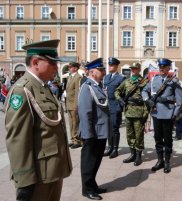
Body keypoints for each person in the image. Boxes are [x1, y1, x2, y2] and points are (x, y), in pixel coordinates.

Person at [4, 39, 72, 201]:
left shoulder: (42, 86)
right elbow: (17, 140)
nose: (56, 68)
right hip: (38, 176)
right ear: (35, 62)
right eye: (52, 63)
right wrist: (25, 181)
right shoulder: (22, 91)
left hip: (52, 170)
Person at [142, 58, 182, 173]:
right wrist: (147, 100)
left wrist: (174, 114)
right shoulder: (154, 79)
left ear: (168, 68)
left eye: (164, 67)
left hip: (168, 114)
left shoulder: (174, 81)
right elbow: (144, 90)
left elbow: (180, 100)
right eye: (160, 67)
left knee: (168, 139)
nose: (161, 69)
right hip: (156, 114)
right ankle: (160, 160)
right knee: (158, 138)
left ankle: (167, 162)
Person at [78, 58, 110, 200]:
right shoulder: (87, 87)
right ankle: (87, 189)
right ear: (91, 72)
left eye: (103, 70)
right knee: (89, 162)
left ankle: (93, 184)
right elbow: (85, 113)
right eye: (101, 70)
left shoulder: (97, 86)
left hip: (100, 132)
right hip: (92, 133)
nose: (103, 72)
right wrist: (87, 134)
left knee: (96, 161)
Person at [115, 62, 149, 166]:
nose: (133, 70)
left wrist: (146, 114)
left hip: (139, 112)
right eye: (132, 69)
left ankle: (138, 156)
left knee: (139, 135)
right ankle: (132, 154)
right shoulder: (127, 81)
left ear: (139, 70)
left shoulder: (144, 82)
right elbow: (117, 91)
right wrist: (120, 100)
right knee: (129, 134)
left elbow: (147, 99)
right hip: (128, 111)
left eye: (135, 69)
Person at [103, 57, 126, 158]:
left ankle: (115, 149)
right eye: (109, 65)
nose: (110, 67)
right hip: (106, 106)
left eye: (112, 65)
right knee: (108, 128)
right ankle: (110, 147)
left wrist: (120, 107)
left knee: (115, 128)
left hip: (115, 106)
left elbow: (123, 94)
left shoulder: (121, 78)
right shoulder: (106, 77)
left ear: (116, 66)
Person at [66, 62, 82, 149]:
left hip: (73, 104)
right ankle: (73, 139)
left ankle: (78, 140)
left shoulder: (78, 77)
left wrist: (76, 105)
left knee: (76, 122)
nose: (69, 68)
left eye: (71, 67)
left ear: (75, 68)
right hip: (69, 103)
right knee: (71, 123)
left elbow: (77, 92)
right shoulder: (70, 76)